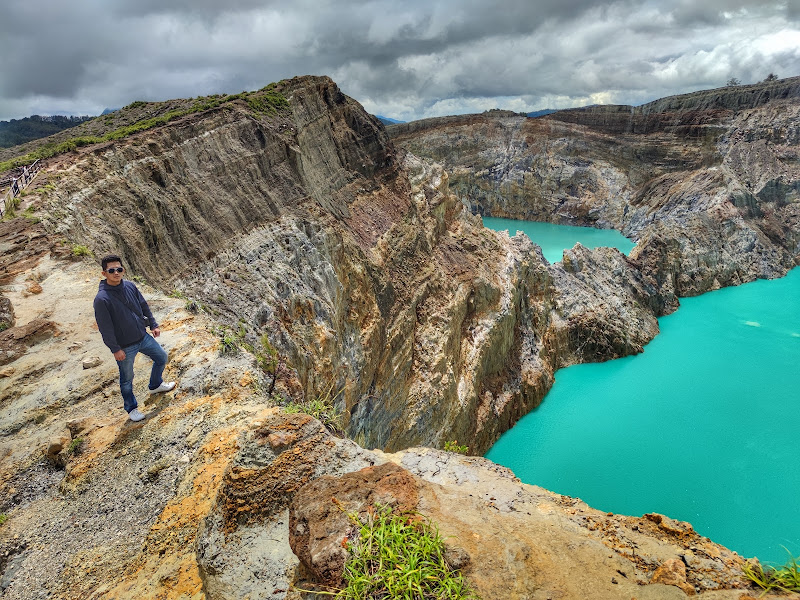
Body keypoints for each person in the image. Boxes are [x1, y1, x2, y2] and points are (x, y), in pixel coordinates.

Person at [93, 254, 176, 421]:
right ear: (104, 273)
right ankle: (131, 409)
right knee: (127, 379)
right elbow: (105, 328)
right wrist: (115, 349)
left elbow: (143, 304)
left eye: (119, 269)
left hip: (142, 337)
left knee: (162, 357)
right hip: (125, 346)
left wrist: (153, 324)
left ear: (123, 270)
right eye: (111, 270)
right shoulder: (102, 299)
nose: (116, 273)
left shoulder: (130, 286)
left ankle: (155, 385)